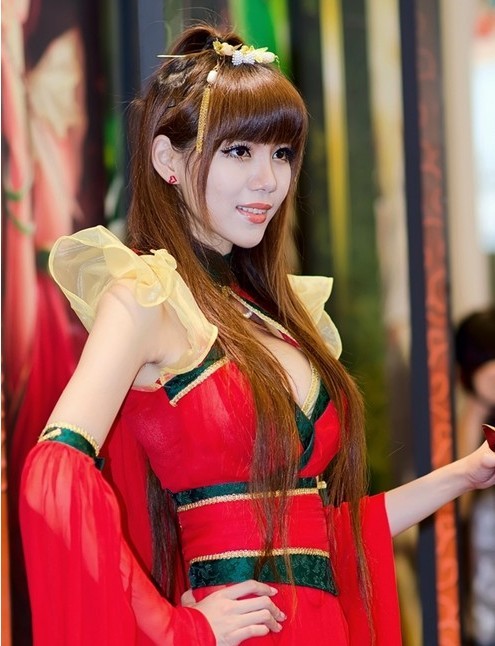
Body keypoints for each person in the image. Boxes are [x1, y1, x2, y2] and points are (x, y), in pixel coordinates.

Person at [19, 24, 495, 646]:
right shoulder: (145, 297)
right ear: (167, 160)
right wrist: (176, 627)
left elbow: (318, 538)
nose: (268, 180)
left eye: (282, 154)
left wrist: (467, 473)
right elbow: (53, 476)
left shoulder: (275, 314)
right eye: (239, 151)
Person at [455, 307, 495, 646]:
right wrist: (475, 412)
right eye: (484, 359)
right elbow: (456, 510)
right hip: (484, 614)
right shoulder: (468, 432)